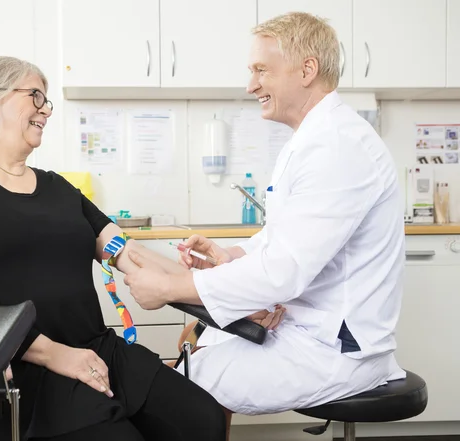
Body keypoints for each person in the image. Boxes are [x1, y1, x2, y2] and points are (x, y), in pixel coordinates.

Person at [0, 55, 227, 441]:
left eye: (47, 101)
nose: (45, 110)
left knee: (203, 419)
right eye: (35, 97)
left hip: (94, 349)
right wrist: (54, 354)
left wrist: (220, 286)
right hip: (21, 364)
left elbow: (128, 253)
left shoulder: (58, 187)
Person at [123, 11, 407, 423]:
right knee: (199, 342)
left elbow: (284, 271)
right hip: (310, 328)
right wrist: (231, 255)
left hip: (336, 349)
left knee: (176, 383)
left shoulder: (337, 147)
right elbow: (284, 238)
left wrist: (171, 287)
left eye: (261, 70)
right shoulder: (314, 139)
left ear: (307, 69)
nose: (250, 84)